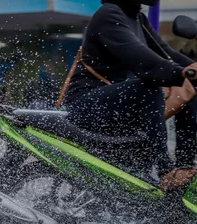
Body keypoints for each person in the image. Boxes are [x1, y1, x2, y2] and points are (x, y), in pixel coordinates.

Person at [62, 0, 197, 192]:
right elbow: (141, 58)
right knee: (148, 87)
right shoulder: (108, 14)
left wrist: (191, 69)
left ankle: (184, 167)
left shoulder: (138, 18)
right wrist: (182, 73)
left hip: (119, 105)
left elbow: (167, 53)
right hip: (86, 104)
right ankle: (166, 171)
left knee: (191, 89)